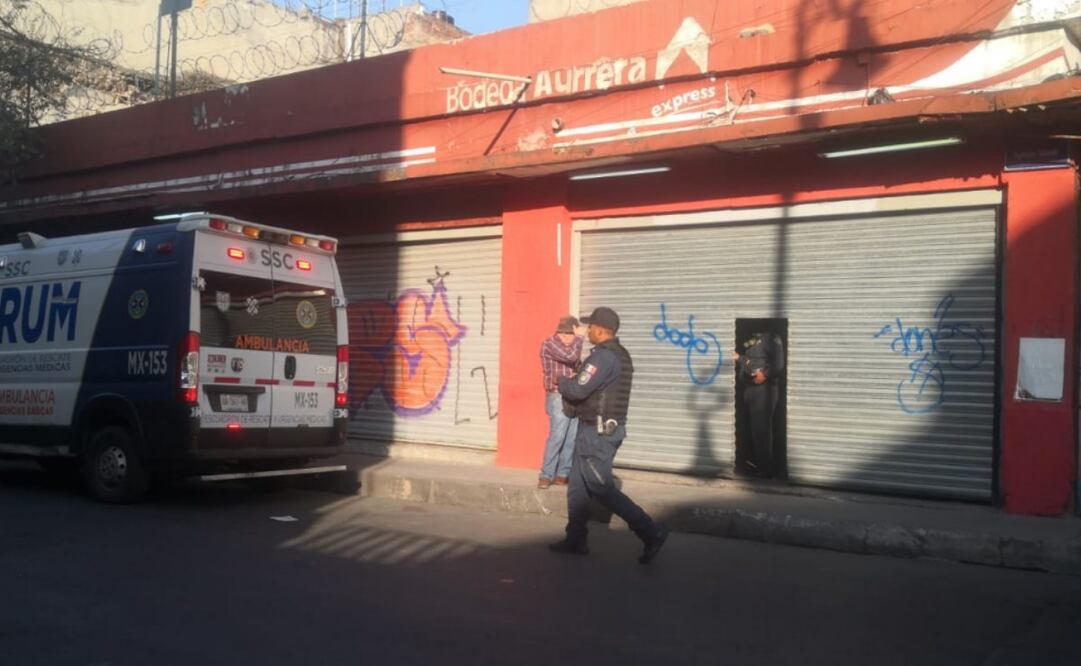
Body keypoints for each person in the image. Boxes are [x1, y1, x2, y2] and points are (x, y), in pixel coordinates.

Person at [549, 306, 670, 564]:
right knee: (578, 489)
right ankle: (576, 539)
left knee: (600, 487)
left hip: (598, 432)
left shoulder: (603, 358)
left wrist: (562, 382)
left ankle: (651, 531)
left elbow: (578, 390)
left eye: (590, 326)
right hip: (597, 428)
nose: (587, 330)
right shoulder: (619, 355)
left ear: (602, 329)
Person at [538, 315, 585, 489]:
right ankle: (546, 475)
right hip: (557, 395)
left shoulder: (573, 345)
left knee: (571, 437)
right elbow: (571, 357)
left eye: (572, 335)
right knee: (557, 436)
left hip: (573, 395)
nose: (570, 338)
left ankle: (562, 474)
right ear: (563, 332)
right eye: (571, 334)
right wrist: (580, 337)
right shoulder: (550, 343)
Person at [736, 332, 785, 479]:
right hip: (749, 390)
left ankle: (766, 470)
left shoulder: (772, 338)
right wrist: (739, 358)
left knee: (761, 431)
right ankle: (756, 465)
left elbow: (778, 362)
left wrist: (765, 374)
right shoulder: (753, 340)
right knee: (752, 430)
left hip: (764, 392)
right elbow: (750, 362)